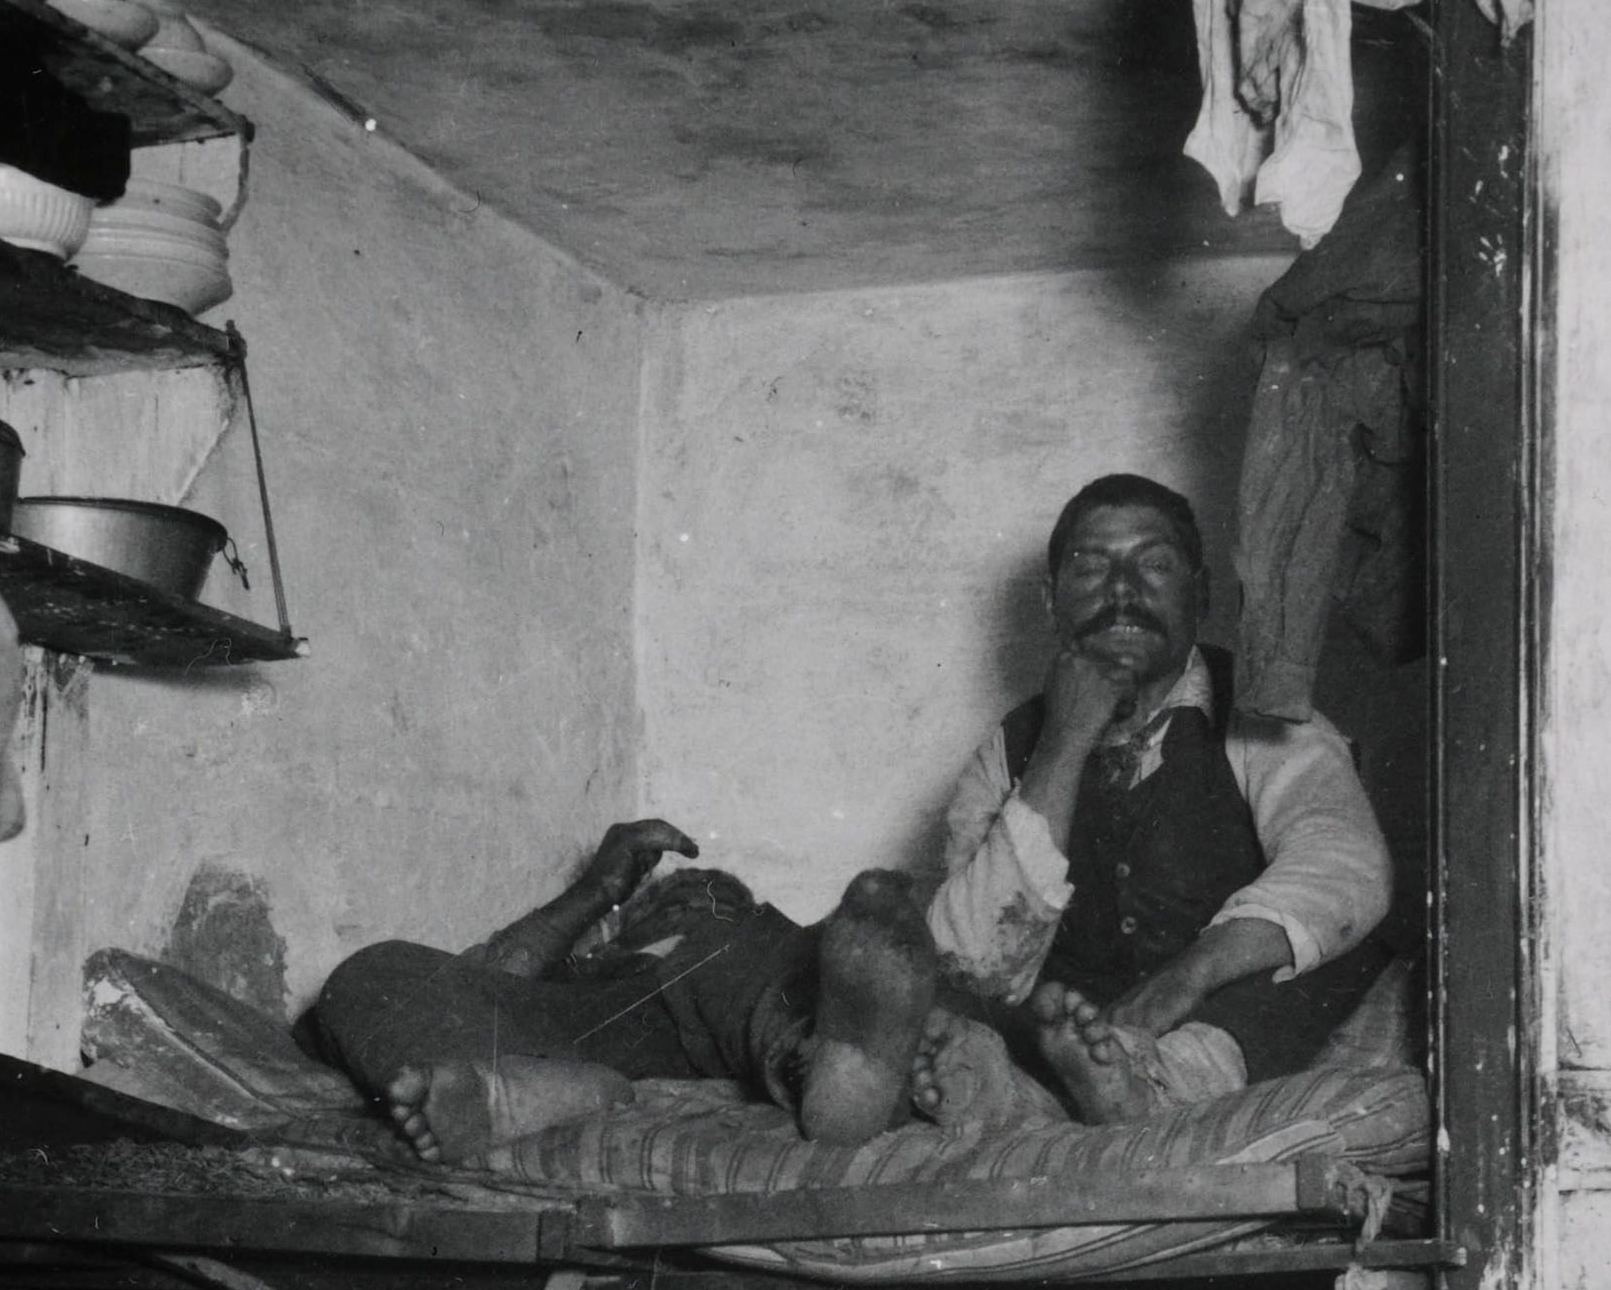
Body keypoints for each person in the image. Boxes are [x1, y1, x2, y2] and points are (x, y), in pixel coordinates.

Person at [911, 474, 1399, 1130]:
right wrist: (1066, 739)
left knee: (1328, 944)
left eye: (1155, 564)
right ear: (1051, 600)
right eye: (1090, 567)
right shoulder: (1010, 748)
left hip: (1223, 1024)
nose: (1121, 592)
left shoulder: (1264, 715)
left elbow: (1345, 863)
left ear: (1200, 596)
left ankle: (1164, 1084)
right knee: (943, 983)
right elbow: (975, 958)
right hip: (1076, 1034)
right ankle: (1039, 1098)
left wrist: (1186, 979)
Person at [309, 821, 943, 1164]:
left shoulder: (743, 939)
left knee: (793, 958)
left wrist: (721, 927)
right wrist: (596, 891)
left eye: (722, 893)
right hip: (580, 1035)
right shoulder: (593, 961)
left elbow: (780, 955)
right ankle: (517, 1093)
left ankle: (845, 1076)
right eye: (682, 892)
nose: (703, 894)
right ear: (627, 924)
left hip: (741, 1006)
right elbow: (485, 979)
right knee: (373, 973)